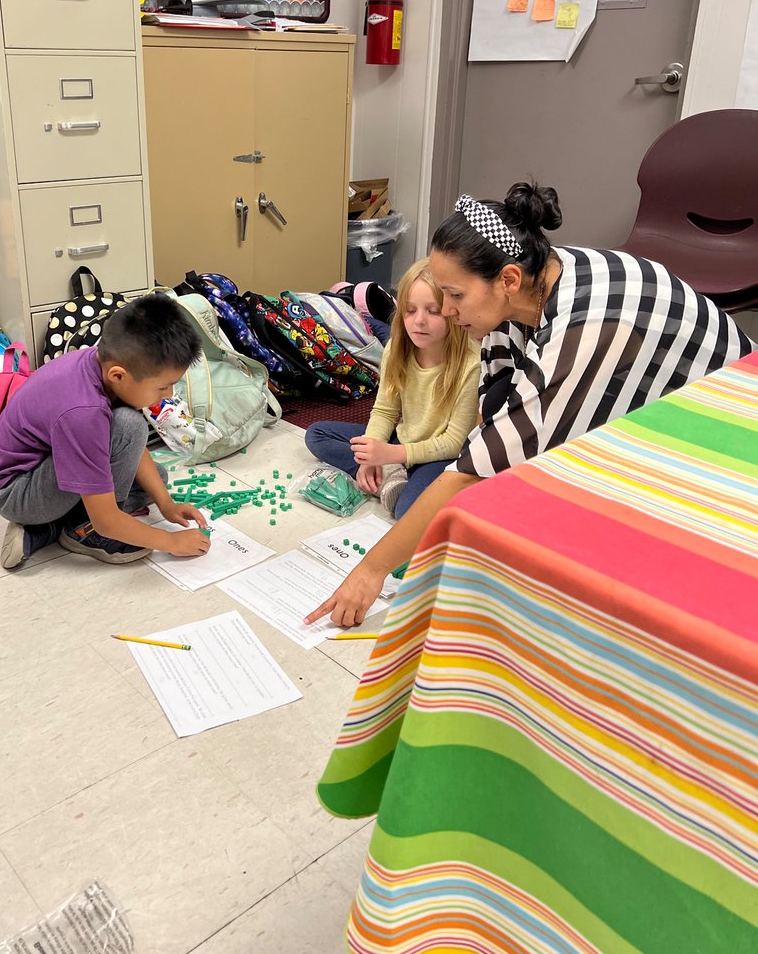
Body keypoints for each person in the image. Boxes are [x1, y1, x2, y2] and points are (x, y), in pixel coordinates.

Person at [306, 181, 754, 628]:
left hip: (731, 438)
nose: (445, 310)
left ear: (507, 281)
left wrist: (370, 570)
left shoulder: (589, 327)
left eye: (455, 296)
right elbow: (491, 414)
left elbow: (471, 472)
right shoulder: (525, 284)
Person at [0, 293, 212, 569]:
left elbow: (132, 448)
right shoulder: (84, 412)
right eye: (162, 387)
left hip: (47, 468)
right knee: (129, 427)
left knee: (155, 479)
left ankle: (61, 524)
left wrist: (167, 504)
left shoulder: (102, 364)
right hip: (19, 493)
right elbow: (108, 520)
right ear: (118, 375)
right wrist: (171, 542)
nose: (169, 394)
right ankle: (73, 529)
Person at [305, 258, 480, 517]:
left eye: (432, 311)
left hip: (440, 456)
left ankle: (392, 473)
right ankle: (389, 474)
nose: (419, 321)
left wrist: (390, 454)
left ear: (452, 312)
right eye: (410, 310)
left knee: (407, 511)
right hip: (401, 441)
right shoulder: (396, 350)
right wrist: (371, 454)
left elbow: (454, 443)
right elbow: (385, 411)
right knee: (317, 435)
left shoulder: (470, 363)